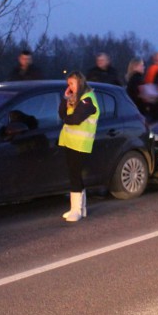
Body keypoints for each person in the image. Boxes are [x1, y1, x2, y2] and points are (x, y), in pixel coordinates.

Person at [57, 71, 99, 222]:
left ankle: (77, 210)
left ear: (80, 83)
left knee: (75, 174)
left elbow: (74, 119)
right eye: (68, 84)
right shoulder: (75, 98)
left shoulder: (88, 100)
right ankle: (80, 208)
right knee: (73, 174)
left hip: (80, 143)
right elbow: (61, 113)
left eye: (72, 84)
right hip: (70, 141)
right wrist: (65, 98)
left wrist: (66, 118)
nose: (70, 87)